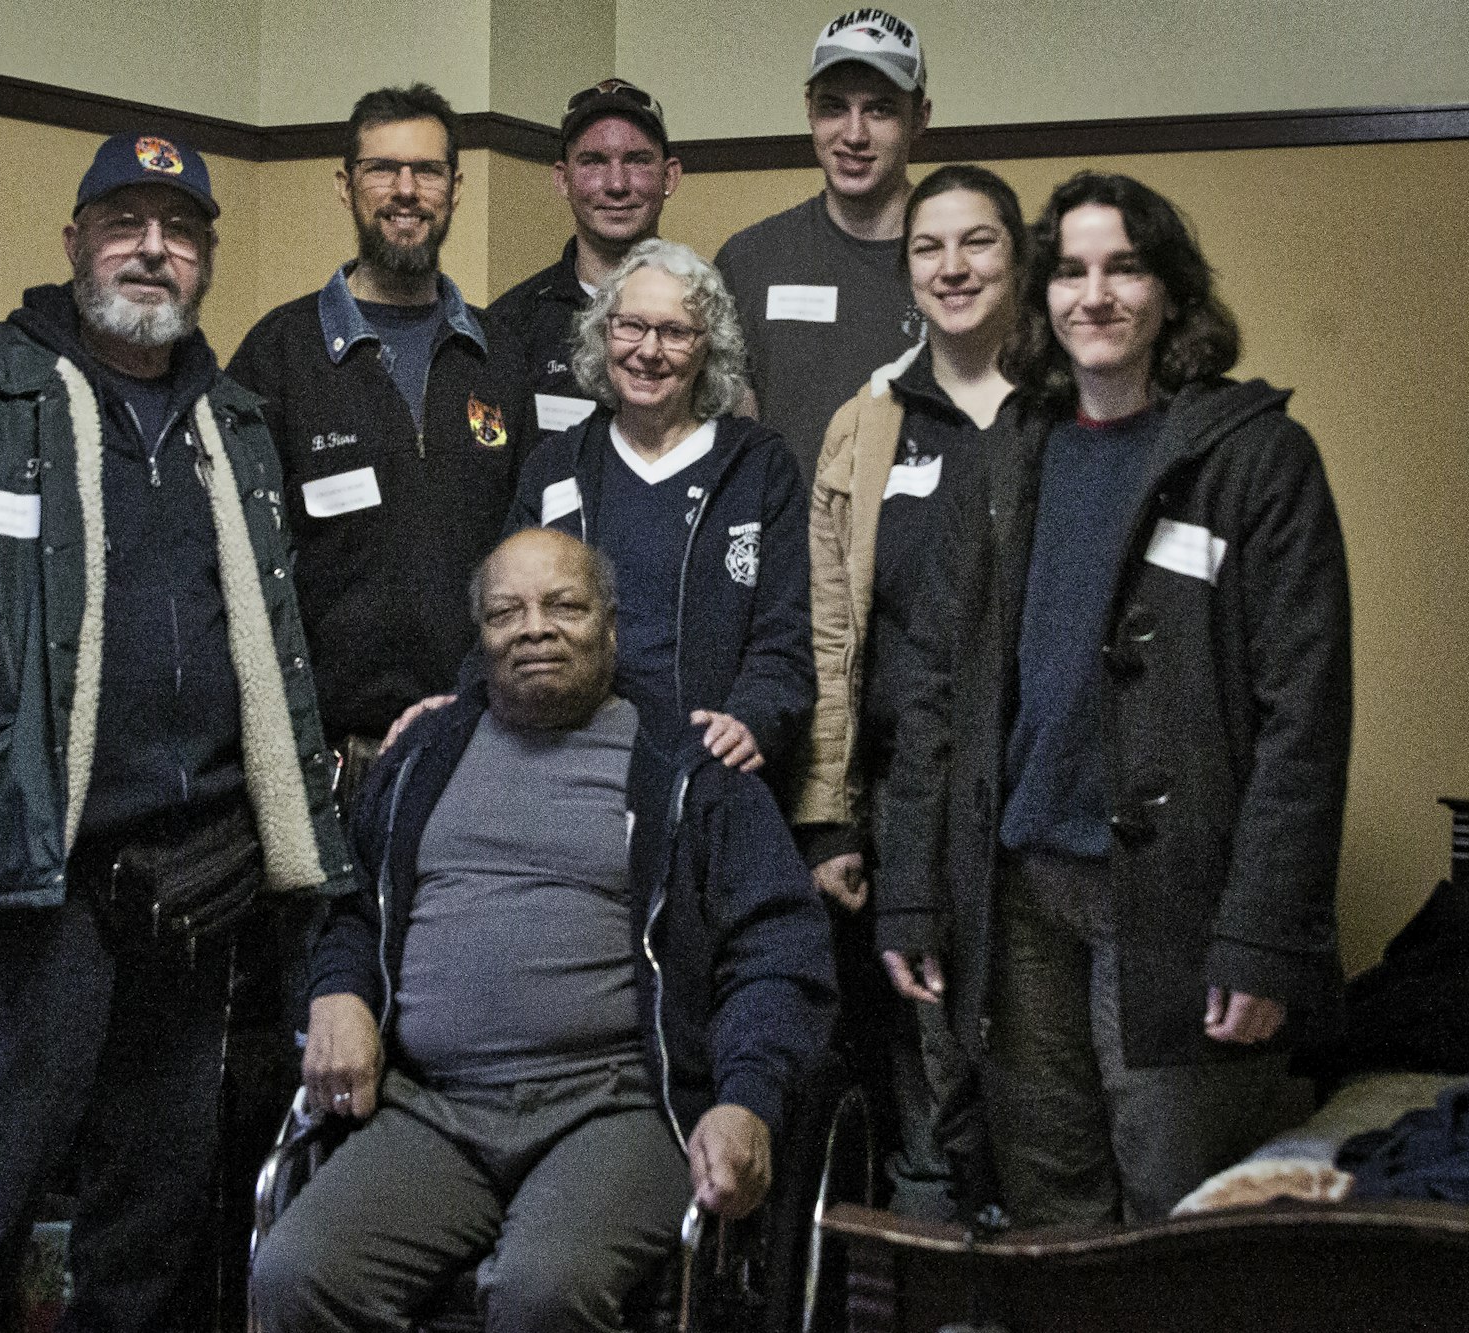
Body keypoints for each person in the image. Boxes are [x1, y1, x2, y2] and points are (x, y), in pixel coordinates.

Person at [0, 130, 354, 1332]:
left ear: (205, 258)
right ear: (74, 243)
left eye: (178, 230)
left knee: (154, 1214)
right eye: (124, 223)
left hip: (195, 888)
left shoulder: (239, 423)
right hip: (22, 882)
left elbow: (278, 649)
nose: (151, 250)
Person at [873, 171, 1353, 1225]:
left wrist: (1264, 935)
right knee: (1049, 1207)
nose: (1094, 295)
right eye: (1071, 271)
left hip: (1179, 907)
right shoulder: (1005, 457)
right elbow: (934, 696)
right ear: (1042, 296)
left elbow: (1302, 724)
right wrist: (910, 888)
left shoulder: (1255, 460)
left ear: (1169, 292)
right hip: (1015, 899)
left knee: (1171, 1209)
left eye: (1123, 268)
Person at [251, 528, 836, 1332]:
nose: (534, 627)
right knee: (294, 1272)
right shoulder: (422, 755)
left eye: (564, 605)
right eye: (506, 611)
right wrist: (339, 992)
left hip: (619, 1107)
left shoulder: (686, 771)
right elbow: (353, 908)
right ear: (481, 636)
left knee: (542, 1290)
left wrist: (747, 1100)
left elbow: (776, 952)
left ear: (611, 627)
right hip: (435, 1109)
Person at [795, 164, 1026, 1220]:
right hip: (905, 802)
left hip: (1038, 802)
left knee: (1039, 1069)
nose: (952, 266)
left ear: (1016, 260)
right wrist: (830, 814)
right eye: (929, 248)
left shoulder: (1071, 412)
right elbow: (832, 631)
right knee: (926, 1074)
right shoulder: (869, 422)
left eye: (976, 242)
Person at [227, 84, 533, 787]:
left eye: (426, 170)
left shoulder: (500, 353)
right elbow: (239, 566)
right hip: (332, 760)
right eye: (381, 169)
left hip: (486, 744)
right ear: (346, 185)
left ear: (455, 188)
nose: (405, 190)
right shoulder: (278, 353)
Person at [507, 238, 811, 782]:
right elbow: (505, 618)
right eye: (631, 326)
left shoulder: (759, 467)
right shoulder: (555, 467)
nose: (649, 351)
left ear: (707, 349)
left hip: (709, 767)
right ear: (604, 335)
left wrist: (751, 720)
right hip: (571, 763)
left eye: (675, 332)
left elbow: (783, 640)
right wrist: (456, 707)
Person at [716, 8, 930, 476]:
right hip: (786, 541)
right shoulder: (750, 260)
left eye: (880, 109)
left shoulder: (960, 262)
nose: (854, 135)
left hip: (925, 540)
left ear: (920, 118)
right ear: (809, 109)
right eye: (834, 106)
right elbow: (732, 436)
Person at [488, 78, 681, 441]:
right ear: (562, 180)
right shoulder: (511, 324)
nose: (617, 184)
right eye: (593, 162)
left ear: (669, 176)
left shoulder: (705, 313)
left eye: (637, 161)